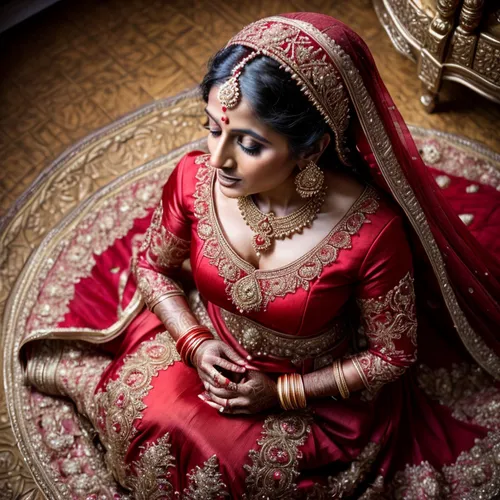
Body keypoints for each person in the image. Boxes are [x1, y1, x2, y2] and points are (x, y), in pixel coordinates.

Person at [22, 12, 500, 499]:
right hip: (207, 347)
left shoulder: (372, 233)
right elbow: (152, 265)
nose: (216, 159)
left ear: (311, 147)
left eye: (248, 144)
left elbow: (392, 355)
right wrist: (196, 343)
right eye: (212, 129)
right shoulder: (194, 178)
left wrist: (281, 393)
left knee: (234, 466)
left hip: (313, 390)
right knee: (150, 416)